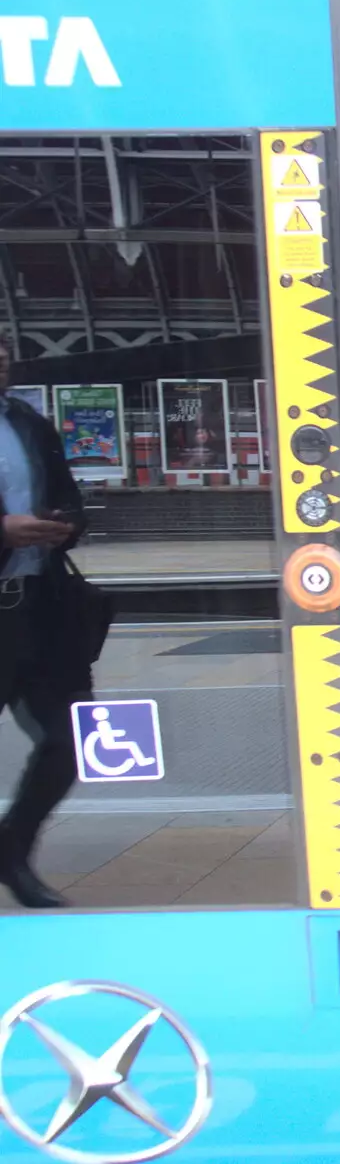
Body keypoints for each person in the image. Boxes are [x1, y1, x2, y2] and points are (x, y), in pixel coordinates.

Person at [0, 345, 92, 908]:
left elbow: (68, 494)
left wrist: (65, 524)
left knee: (70, 739)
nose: (1, 360)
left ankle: (12, 851)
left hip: (39, 607)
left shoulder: (28, 422)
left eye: (3, 349)